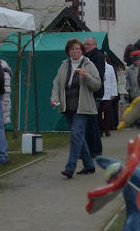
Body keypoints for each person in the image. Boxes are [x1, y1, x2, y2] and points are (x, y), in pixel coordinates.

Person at [51, 38, 101, 178]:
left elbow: (97, 85)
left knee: (76, 135)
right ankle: (89, 165)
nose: (75, 51)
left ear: (82, 51)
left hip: (83, 107)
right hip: (68, 107)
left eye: (78, 49)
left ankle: (70, 167)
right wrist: (54, 98)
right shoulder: (64, 65)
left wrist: (87, 78)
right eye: (72, 49)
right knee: (78, 136)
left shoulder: (88, 65)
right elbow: (57, 84)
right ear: (68, 51)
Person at [83, 37, 104, 157]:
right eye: (85, 44)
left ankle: (94, 150)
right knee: (91, 122)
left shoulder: (97, 57)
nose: (85, 46)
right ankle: (94, 149)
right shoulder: (89, 57)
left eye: (88, 44)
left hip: (95, 93)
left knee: (91, 122)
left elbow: (98, 75)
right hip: (91, 93)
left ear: (94, 45)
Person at [98, 59, 118, 136]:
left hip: (107, 94)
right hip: (99, 94)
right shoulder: (96, 66)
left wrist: (113, 93)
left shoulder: (109, 67)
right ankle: (100, 129)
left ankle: (107, 129)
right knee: (99, 113)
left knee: (107, 114)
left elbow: (113, 80)